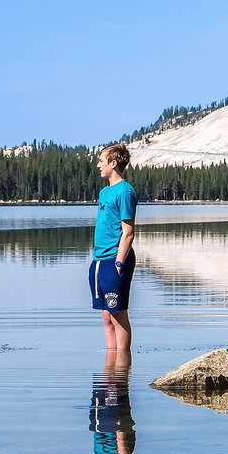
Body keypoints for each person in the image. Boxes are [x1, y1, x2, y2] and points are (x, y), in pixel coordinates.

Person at [89, 143, 138, 354]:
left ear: (113, 163)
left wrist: (119, 263)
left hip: (115, 260)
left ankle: (121, 371)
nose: (98, 165)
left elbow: (128, 233)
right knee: (106, 315)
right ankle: (110, 365)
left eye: (101, 161)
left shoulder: (125, 192)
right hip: (99, 261)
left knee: (118, 315)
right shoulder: (104, 192)